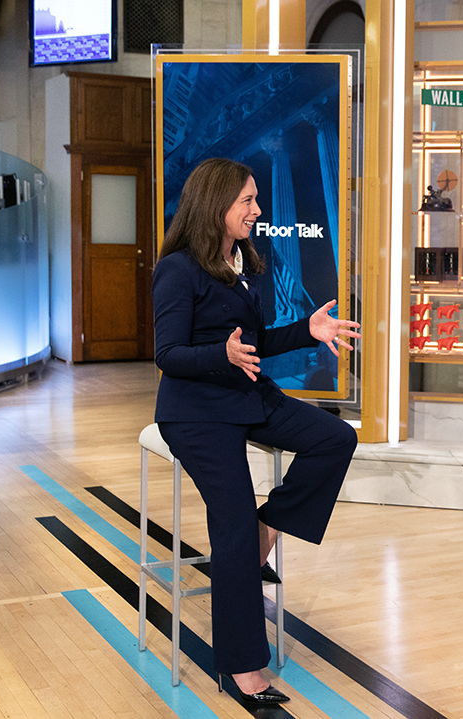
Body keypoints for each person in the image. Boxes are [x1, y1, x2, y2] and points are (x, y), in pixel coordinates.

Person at [152, 158, 360, 703]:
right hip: (195, 410)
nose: (258, 210)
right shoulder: (178, 268)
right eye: (247, 200)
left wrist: (307, 330)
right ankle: (241, 666)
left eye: (256, 200)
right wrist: (219, 355)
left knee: (336, 439)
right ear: (216, 203)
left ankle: (265, 533)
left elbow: (254, 343)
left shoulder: (241, 258)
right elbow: (169, 356)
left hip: (247, 394)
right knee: (233, 525)